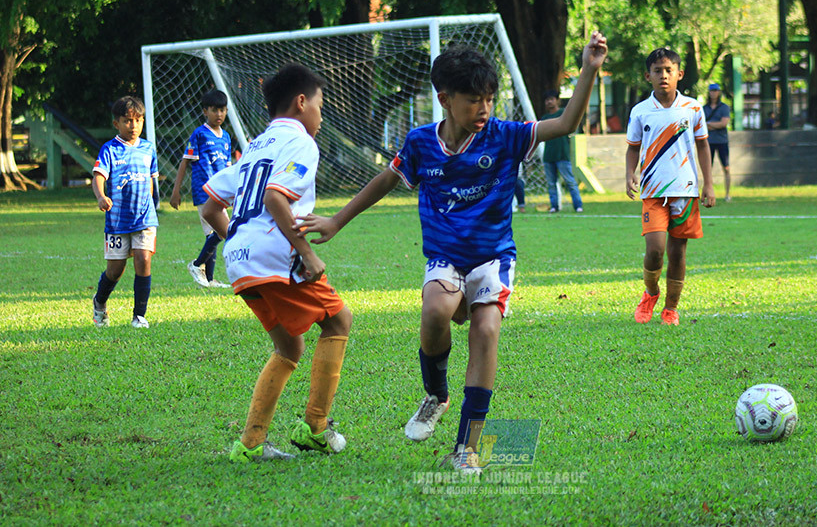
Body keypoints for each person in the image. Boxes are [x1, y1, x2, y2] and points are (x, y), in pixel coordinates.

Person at [295, 33, 608, 474]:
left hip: (493, 258)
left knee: (485, 331)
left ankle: (467, 447)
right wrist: (335, 221)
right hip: (445, 256)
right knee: (436, 311)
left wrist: (590, 69)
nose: (484, 109)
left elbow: (565, 124)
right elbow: (384, 182)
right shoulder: (421, 142)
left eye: (489, 99)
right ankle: (436, 395)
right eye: (473, 100)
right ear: (444, 98)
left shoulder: (505, 136)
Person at [200, 64, 353, 463]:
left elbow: (210, 204)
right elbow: (274, 198)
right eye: (320, 105)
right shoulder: (301, 142)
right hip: (273, 256)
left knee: (289, 345)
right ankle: (316, 428)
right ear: (302, 103)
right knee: (339, 321)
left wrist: (237, 239)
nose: (321, 115)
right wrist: (306, 252)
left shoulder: (255, 145)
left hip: (239, 261)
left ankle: (250, 444)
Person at [626, 48, 715, 326]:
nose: (663, 76)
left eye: (668, 70)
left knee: (678, 252)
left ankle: (671, 309)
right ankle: (650, 293)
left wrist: (709, 183)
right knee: (655, 249)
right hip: (653, 191)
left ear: (679, 74)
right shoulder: (640, 111)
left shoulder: (693, 108)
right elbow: (632, 148)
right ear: (647, 76)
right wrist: (630, 174)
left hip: (686, 190)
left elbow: (703, 145)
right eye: (657, 71)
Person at [90, 96, 159, 329]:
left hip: (145, 217)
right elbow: (98, 176)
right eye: (127, 121)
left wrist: (151, 202)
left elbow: (150, 180)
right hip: (118, 220)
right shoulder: (109, 149)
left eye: (138, 120)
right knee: (115, 270)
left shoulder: (149, 149)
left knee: (144, 259)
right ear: (116, 124)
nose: (134, 126)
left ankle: (139, 315)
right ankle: (99, 303)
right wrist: (101, 197)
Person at [169, 89, 234, 288]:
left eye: (223, 110)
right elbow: (185, 162)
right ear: (205, 111)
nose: (219, 114)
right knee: (222, 231)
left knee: (215, 233)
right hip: (204, 191)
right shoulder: (199, 134)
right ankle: (197, 265)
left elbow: (228, 167)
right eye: (215, 110)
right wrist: (176, 191)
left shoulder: (226, 137)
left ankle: (210, 279)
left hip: (221, 191)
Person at [540, 90, 584, 213]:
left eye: (552, 99)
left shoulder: (563, 114)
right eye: (547, 100)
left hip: (562, 154)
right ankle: (554, 206)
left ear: (557, 100)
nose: (549, 102)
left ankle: (578, 205)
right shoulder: (544, 118)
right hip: (549, 155)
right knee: (551, 183)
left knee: (570, 181)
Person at [704, 82, 732, 202]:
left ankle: (727, 193)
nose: (713, 93)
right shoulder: (704, 108)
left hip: (721, 141)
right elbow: (701, 125)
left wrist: (709, 125)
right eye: (712, 91)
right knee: (707, 168)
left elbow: (723, 123)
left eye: (716, 91)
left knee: (726, 167)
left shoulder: (724, 107)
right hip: (708, 141)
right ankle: (709, 191)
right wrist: (715, 125)